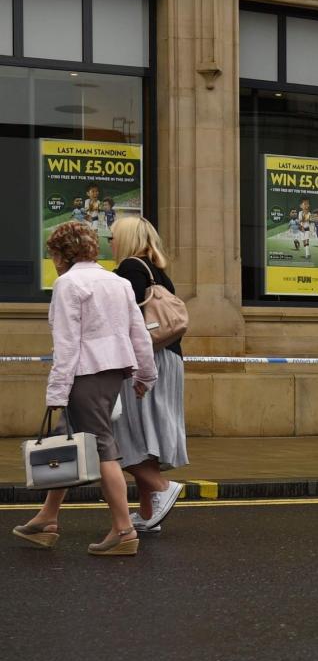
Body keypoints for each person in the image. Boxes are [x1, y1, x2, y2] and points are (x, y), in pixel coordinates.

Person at [13, 221, 156, 556]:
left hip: (85, 373)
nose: (53, 261)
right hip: (113, 372)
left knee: (102, 446)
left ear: (63, 253)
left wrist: (56, 394)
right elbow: (140, 333)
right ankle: (47, 518)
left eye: (53, 254)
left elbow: (66, 345)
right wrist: (145, 376)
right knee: (69, 438)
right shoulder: (118, 282)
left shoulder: (68, 284)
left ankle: (123, 530)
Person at [111, 216, 189, 532]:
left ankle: (160, 488)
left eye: (114, 237)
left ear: (128, 239)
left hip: (145, 360)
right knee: (147, 434)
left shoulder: (130, 267)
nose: (110, 242)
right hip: (167, 357)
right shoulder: (156, 270)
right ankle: (147, 513)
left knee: (123, 433)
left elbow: (125, 320)